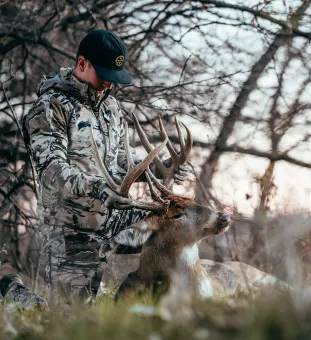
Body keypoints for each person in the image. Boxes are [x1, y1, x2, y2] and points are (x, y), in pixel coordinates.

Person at [4, 30, 189, 303]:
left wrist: (161, 166)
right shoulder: (50, 108)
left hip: (114, 217)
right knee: (71, 318)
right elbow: (52, 172)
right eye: (103, 75)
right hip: (71, 230)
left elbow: (124, 160)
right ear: (82, 64)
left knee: (178, 222)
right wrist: (101, 189)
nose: (109, 85)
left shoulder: (110, 108)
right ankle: (10, 290)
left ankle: (138, 295)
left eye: (114, 79)